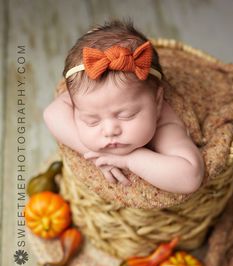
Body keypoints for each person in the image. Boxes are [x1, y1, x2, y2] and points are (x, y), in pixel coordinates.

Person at [43, 19, 204, 193]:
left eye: (126, 115)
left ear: (157, 102)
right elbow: (52, 113)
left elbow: (190, 177)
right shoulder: (91, 94)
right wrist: (94, 154)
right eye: (91, 120)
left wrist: (132, 159)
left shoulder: (165, 124)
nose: (110, 130)